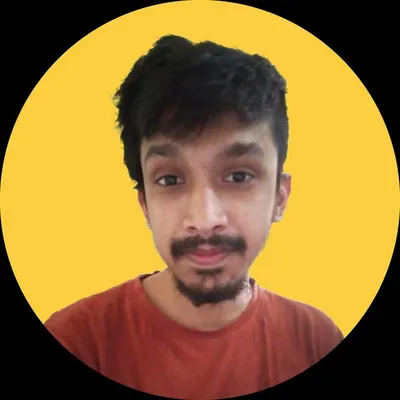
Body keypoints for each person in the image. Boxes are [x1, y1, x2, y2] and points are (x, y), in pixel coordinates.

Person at [44, 34, 343, 398]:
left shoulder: (317, 341)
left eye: (239, 176)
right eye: (170, 180)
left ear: (280, 197)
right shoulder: (75, 341)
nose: (204, 219)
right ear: (145, 204)